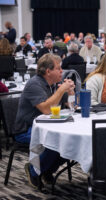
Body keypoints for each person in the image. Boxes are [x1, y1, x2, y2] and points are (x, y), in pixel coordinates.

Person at [13, 53, 75, 188]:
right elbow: (47, 109)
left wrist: (70, 93)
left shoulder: (53, 85)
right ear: (48, 71)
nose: (62, 71)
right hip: (26, 130)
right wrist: (61, 91)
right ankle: (33, 170)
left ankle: (47, 170)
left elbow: (72, 107)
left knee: (70, 143)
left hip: (47, 125)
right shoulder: (34, 84)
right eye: (58, 68)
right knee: (55, 142)